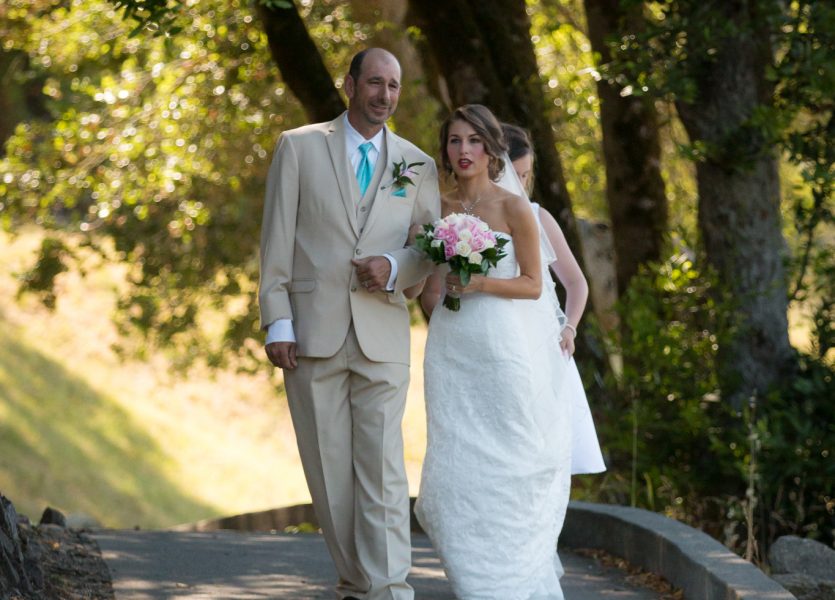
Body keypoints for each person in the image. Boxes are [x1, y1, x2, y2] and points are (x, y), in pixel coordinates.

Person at [259, 48, 440, 600]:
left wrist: (394, 267)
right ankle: (356, 584)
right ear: (350, 84)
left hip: (383, 332)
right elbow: (275, 244)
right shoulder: (298, 147)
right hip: (312, 335)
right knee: (330, 475)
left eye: (394, 87)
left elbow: (429, 249)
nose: (385, 96)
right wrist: (277, 322)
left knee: (384, 472)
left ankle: (389, 588)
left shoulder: (417, 164)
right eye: (375, 84)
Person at [414, 104, 573, 599]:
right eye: (455, 141)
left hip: (504, 349)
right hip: (452, 349)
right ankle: (472, 580)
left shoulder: (513, 207)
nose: (463, 151)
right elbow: (428, 284)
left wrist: (478, 281)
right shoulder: (438, 209)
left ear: (491, 148)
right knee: (455, 468)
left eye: (473, 141)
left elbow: (531, 284)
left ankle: (508, 580)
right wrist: (428, 294)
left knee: (508, 460)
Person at [502, 122, 606, 476]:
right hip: (497, 339)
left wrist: (570, 328)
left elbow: (576, 283)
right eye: (510, 174)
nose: (518, 185)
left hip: (540, 345)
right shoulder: (473, 218)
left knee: (546, 450)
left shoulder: (537, 217)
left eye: (525, 175)